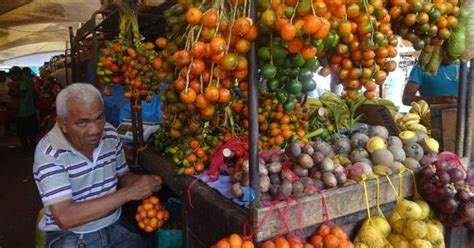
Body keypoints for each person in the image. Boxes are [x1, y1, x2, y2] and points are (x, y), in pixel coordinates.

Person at [33, 83, 162, 247]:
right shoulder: (49, 152)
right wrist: (128, 193)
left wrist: (144, 182)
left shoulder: (110, 134)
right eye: (82, 123)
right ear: (62, 123)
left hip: (114, 225)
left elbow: (123, 176)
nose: (95, 130)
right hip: (72, 235)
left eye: (99, 118)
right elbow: (65, 217)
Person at [17, 67, 38, 152]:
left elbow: (22, 93)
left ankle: (26, 148)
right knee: (31, 130)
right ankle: (33, 147)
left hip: (24, 110)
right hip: (31, 109)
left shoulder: (24, 80)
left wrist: (13, 90)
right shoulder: (30, 80)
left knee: (22, 132)